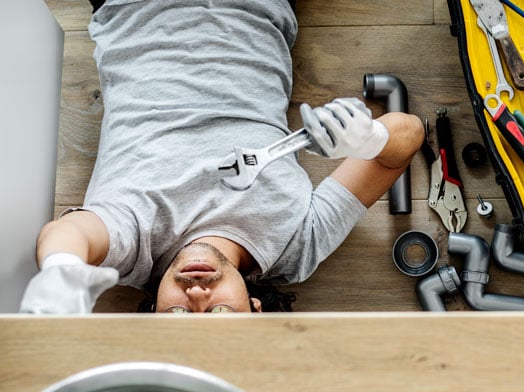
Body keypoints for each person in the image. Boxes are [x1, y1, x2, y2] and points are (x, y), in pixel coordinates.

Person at [19, 0, 424, 314]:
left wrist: (60, 268)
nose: (196, 294)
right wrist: (370, 138)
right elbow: (407, 141)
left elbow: (69, 234)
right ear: (254, 308)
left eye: (177, 312)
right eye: (217, 313)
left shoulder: (132, 247)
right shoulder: (295, 246)